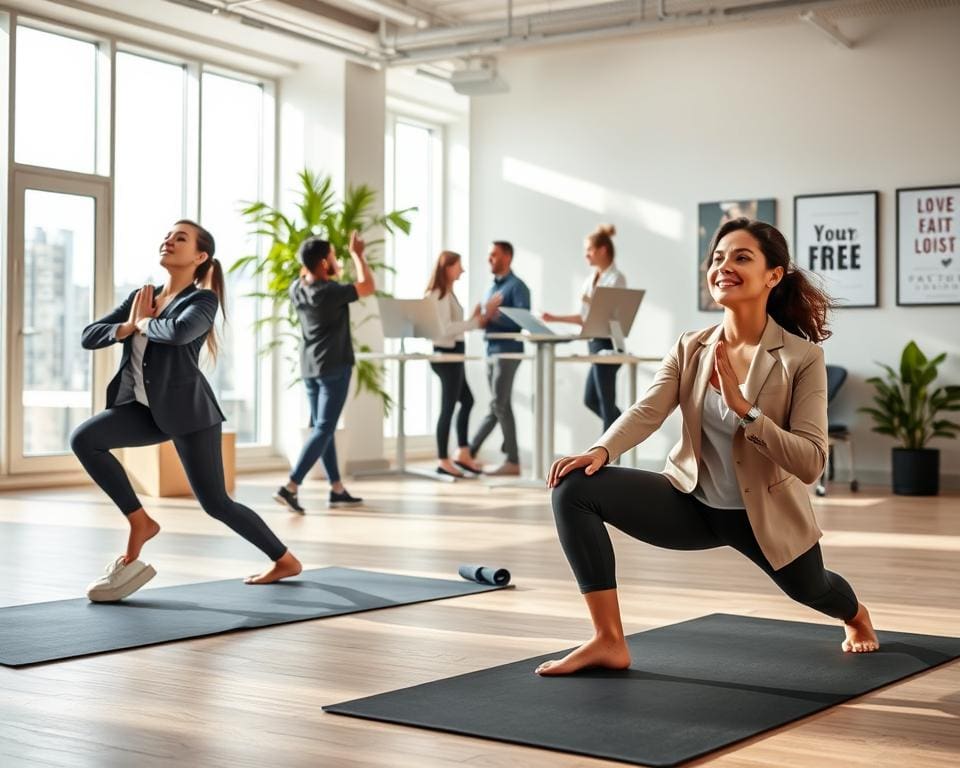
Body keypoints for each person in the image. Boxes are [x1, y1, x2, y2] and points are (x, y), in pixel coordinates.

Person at [538, 218, 879, 676]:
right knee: (573, 487)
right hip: (691, 503)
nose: (724, 267)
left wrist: (745, 410)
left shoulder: (802, 358)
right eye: (718, 258)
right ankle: (608, 640)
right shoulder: (691, 346)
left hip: (764, 517)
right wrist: (601, 451)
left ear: (773, 275)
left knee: (813, 589)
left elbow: (812, 461)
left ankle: (856, 616)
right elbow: (647, 409)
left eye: (741, 257)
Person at [71, 220, 302, 602]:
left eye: (180, 238)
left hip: (191, 415)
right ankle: (140, 520)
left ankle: (285, 559)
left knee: (216, 504)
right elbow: (89, 335)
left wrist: (142, 322)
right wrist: (127, 326)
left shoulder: (202, 301)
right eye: (166, 235)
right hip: (144, 411)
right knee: (85, 439)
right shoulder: (140, 296)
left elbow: (178, 332)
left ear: (199, 256)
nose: (168, 241)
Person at [273, 232, 373, 513]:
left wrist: (318, 265)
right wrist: (358, 254)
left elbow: (306, 274)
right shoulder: (331, 292)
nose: (336, 260)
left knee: (322, 427)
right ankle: (291, 486)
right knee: (325, 428)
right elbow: (368, 286)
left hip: (310, 367)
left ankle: (337, 489)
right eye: (332, 256)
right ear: (322, 262)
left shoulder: (297, 288)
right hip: (334, 366)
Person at [542, 223, 627, 432]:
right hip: (593, 344)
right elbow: (584, 317)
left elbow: (610, 315)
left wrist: (590, 301)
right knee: (591, 400)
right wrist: (554, 318)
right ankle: (626, 427)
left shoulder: (617, 278)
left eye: (589, 249)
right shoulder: (591, 279)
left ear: (602, 250)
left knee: (606, 406)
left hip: (608, 344)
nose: (586, 255)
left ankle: (606, 458)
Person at [424, 251, 501, 478]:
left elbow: (455, 326)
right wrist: (477, 321)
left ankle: (463, 453)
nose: (462, 270)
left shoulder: (447, 294)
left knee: (467, 400)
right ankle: (443, 459)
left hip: (455, 354)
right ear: (447, 267)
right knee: (448, 407)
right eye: (458, 266)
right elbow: (444, 329)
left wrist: (474, 319)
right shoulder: (437, 294)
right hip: (447, 356)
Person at [467, 241, 531, 477]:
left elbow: (523, 320)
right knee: (502, 406)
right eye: (489, 255)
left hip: (508, 352)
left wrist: (494, 315)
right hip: (491, 351)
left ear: (507, 256)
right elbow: (485, 319)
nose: (489, 259)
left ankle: (472, 451)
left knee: (498, 405)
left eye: (494, 255)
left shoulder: (517, 287)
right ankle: (508, 458)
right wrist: (485, 316)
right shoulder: (491, 289)